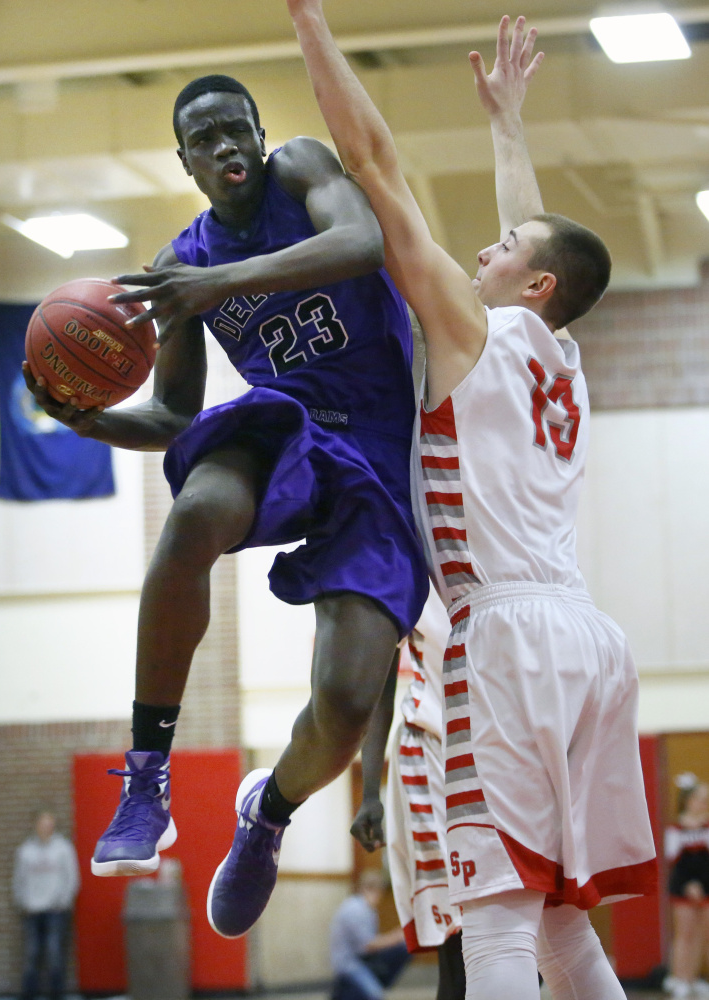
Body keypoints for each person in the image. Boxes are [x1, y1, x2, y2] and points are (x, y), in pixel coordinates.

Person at [285, 4, 659, 998]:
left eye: (501, 248)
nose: (480, 252)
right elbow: (538, 246)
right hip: (586, 641)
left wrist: (307, 21)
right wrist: (506, 125)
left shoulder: (467, 329)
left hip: (506, 640)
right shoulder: (562, 359)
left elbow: (370, 160)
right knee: (558, 927)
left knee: (492, 921)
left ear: (533, 283)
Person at [24, 73, 427, 938]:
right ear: (187, 163)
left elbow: (360, 242)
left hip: (385, 450)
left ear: (258, 134)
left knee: (349, 705)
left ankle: (268, 812)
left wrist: (220, 286)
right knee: (196, 511)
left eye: (236, 130)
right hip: (290, 425)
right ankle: (146, 777)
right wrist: (89, 418)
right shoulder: (180, 264)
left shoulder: (301, 172)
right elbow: (173, 412)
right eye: (205, 140)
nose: (226, 147)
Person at [352, 577, 465, 1000]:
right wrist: (368, 793)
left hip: (502, 748)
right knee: (461, 941)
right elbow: (380, 672)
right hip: (433, 749)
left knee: (528, 933)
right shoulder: (416, 544)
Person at [12, 811, 80, 1000]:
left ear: (53, 826)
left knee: (54, 955)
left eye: (49, 824)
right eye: (42, 823)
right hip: (32, 910)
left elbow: (72, 878)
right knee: (31, 955)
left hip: (55, 911)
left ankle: (56, 995)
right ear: (36, 825)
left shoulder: (63, 848)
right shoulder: (25, 850)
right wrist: (22, 902)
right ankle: (29, 994)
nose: (45, 827)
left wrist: (63, 902)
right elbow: (19, 879)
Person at [330, 870, 411, 1000]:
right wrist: (397, 936)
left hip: (362, 959)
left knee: (403, 949)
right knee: (375, 995)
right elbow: (368, 945)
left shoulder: (367, 910)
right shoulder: (355, 909)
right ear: (370, 889)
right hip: (350, 963)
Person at [663, 774, 709, 999]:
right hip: (683, 886)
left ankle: (693, 978)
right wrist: (690, 884)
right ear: (689, 801)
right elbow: (675, 859)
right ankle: (680, 979)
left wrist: (701, 884)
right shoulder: (676, 828)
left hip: (706, 886)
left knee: (702, 934)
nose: (705, 804)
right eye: (702, 799)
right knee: (685, 934)